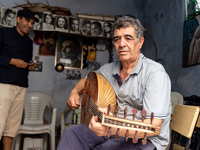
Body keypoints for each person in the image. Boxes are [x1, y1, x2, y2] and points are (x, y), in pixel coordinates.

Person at [57, 16, 171, 150]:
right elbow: (87, 80)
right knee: (72, 133)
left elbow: (154, 128)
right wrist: (74, 92)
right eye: (117, 39)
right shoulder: (109, 69)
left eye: (128, 38)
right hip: (115, 130)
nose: (122, 44)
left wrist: (109, 130)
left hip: (146, 139)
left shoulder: (155, 73)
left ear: (140, 42)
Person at [0, 9, 37, 150]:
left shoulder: (29, 42)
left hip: (21, 85)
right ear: (18, 19)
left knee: (12, 125)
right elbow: (9, 60)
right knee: (0, 121)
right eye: (27, 21)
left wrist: (31, 65)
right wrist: (11, 61)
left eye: (32, 23)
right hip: (4, 83)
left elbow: (27, 62)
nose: (30, 25)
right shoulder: (4, 33)